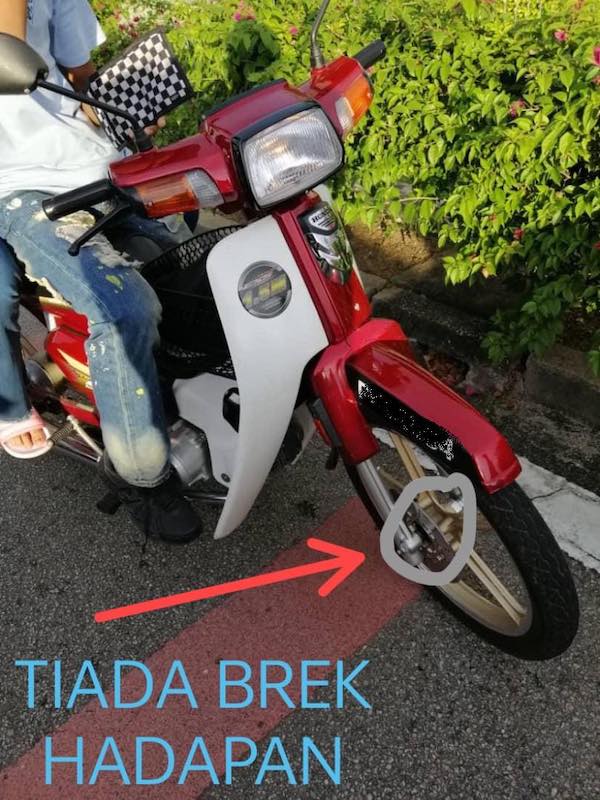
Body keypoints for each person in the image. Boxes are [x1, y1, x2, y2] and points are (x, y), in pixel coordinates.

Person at [0, 0, 202, 543]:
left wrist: (122, 113)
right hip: (18, 187)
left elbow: (80, 76)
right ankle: (141, 475)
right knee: (125, 309)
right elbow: (7, 45)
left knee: (196, 269)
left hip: (95, 163)